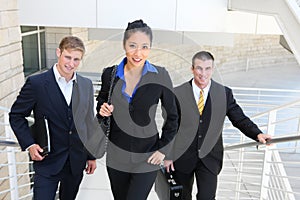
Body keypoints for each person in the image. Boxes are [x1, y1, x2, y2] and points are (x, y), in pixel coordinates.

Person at [163, 51, 272, 200]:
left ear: (212, 69)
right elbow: (171, 126)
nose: (203, 73)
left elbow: (239, 118)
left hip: (210, 158)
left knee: (207, 197)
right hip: (182, 157)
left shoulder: (224, 93)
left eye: (207, 68)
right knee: (181, 197)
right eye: (199, 68)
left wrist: (257, 134)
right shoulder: (178, 93)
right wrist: (167, 155)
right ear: (192, 69)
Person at [96, 19, 178, 200]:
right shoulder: (109, 74)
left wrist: (163, 149)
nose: (138, 53)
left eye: (144, 47)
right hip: (117, 155)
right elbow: (101, 104)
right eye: (132, 45)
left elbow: (173, 116)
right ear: (124, 44)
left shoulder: (161, 75)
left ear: (150, 48)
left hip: (147, 155)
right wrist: (102, 110)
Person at [9, 36, 97, 200]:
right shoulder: (36, 83)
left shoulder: (86, 85)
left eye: (76, 59)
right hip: (47, 161)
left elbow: (88, 122)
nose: (71, 63)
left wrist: (91, 156)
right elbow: (16, 115)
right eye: (68, 57)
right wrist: (29, 144)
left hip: (76, 162)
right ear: (59, 52)